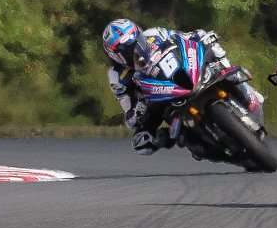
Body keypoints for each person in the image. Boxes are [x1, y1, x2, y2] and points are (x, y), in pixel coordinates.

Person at [102, 18, 263, 157]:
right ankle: (200, 143)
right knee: (146, 139)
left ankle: (246, 93)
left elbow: (182, 38)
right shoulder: (117, 76)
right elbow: (129, 116)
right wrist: (137, 111)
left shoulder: (155, 34)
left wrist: (201, 36)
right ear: (115, 55)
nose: (133, 50)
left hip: (183, 74)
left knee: (215, 52)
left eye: (135, 42)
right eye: (127, 50)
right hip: (159, 100)